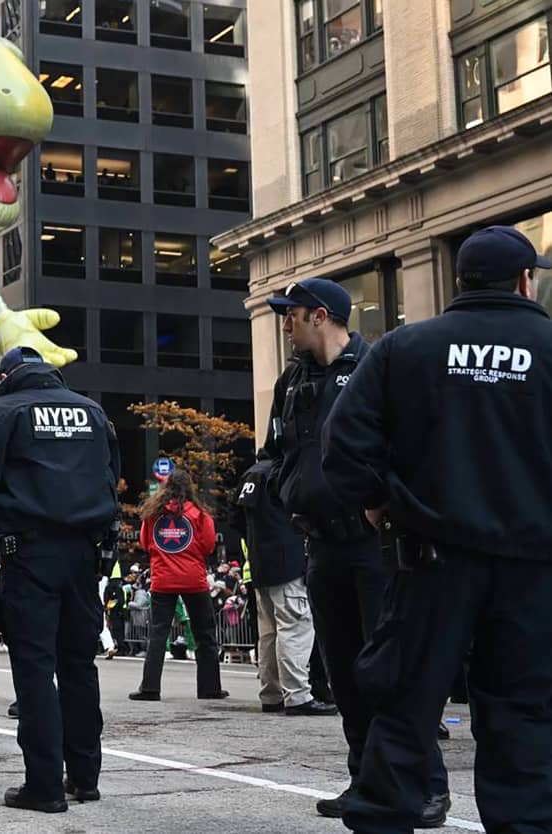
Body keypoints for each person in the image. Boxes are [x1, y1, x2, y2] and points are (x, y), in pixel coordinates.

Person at [323, 225, 552, 834]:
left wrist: (377, 502)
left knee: (406, 703)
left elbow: (343, 443)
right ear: (526, 281)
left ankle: (384, 818)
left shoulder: (408, 347)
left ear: (459, 279)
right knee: (523, 712)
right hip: (532, 565)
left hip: (431, 558)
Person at [264, 277, 448, 825]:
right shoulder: (292, 379)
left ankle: (426, 786)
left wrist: (386, 501)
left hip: (376, 547)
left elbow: (416, 445)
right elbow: (275, 452)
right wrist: (286, 488)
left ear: (320, 316)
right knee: (344, 672)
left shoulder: (380, 366)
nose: (284, 322)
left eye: (291, 313)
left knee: (392, 670)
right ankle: (366, 780)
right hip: (319, 544)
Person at [0, 346, 120, 813]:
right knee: (79, 666)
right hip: (83, 555)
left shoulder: (0, 411)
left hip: (29, 554)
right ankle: (85, 777)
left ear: (7, 374)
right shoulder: (92, 412)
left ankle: (44, 785)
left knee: (34, 668)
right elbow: (112, 479)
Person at [233, 456, 334, 716]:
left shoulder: (251, 474)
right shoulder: (286, 471)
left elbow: (235, 519)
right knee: (295, 627)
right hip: (287, 561)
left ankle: (271, 693)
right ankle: (298, 695)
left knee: (268, 633)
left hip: (259, 563)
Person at [128, 469, 228, 702]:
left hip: (163, 580)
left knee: (157, 634)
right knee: (205, 634)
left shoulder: (153, 514)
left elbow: (145, 542)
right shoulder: (200, 515)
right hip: (194, 580)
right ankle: (209, 687)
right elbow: (209, 545)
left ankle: (150, 688)